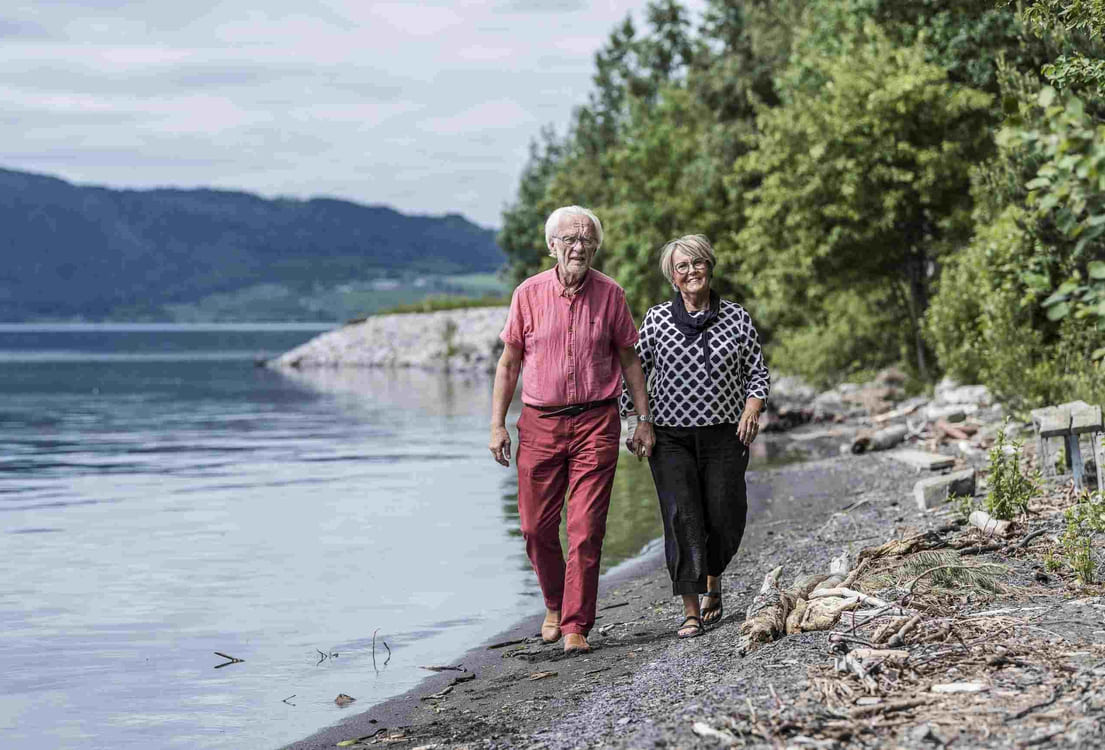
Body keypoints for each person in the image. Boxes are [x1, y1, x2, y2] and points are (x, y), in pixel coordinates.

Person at [489, 206, 654, 654]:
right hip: (540, 423)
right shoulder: (527, 294)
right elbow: (508, 364)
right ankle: (555, 603)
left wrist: (643, 419)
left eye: (586, 240)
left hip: (596, 422)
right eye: (569, 239)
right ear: (551, 246)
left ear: (596, 247)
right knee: (534, 528)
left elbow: (629, 361)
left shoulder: (611, 294)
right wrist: (497, 425)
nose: (578, 246)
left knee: (585, 528)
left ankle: (575, 625)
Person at [623, 234, 769, 639]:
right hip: (670, 437)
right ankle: (690, 609)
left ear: (710, 266)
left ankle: (713, 577)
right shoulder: (656, 320)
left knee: (726, 514)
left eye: (697, 263)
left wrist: (751, 409)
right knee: (682, 517)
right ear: (673, 277)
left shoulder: (737, 317)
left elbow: (757, 373)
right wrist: (638, 421)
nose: (691, 272)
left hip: (725, 434)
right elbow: (635, 373)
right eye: (682, 267)